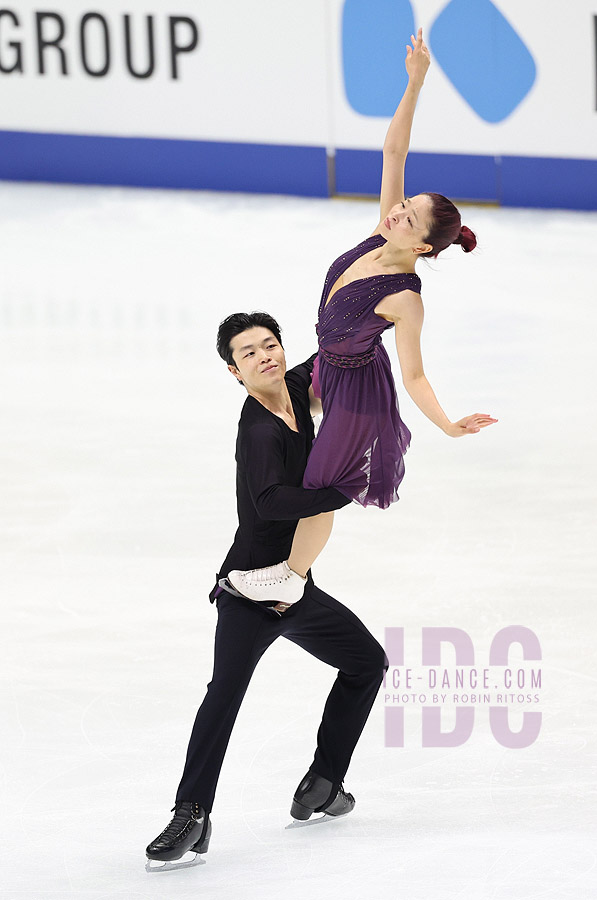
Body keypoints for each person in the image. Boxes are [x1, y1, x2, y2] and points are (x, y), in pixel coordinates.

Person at [227, 27, 497, 608]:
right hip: (326, 364)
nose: (397, 212)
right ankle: (270, 537)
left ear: (422, 247)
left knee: (321, 485)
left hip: (356, 391)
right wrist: (415, 81)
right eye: (403, 205)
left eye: (408, 218)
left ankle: (290, 578)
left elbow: (415, 375)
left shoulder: (405, 297)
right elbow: (394, 151)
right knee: (286, 434)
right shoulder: (383, 229)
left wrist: (447, 425)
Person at [145, 312, 388, 872]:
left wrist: (377, 301)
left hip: (294, 585)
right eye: (248, 353)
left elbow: (336, 350)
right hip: (251, 590)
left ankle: (324, 782)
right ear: (235, 371)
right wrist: (340, 492)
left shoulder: (296, 388)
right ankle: (191, 813)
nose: (264, 357)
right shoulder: (258, 430)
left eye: (269, 345)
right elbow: (270, 502)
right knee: (223, 696)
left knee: (366, 663)